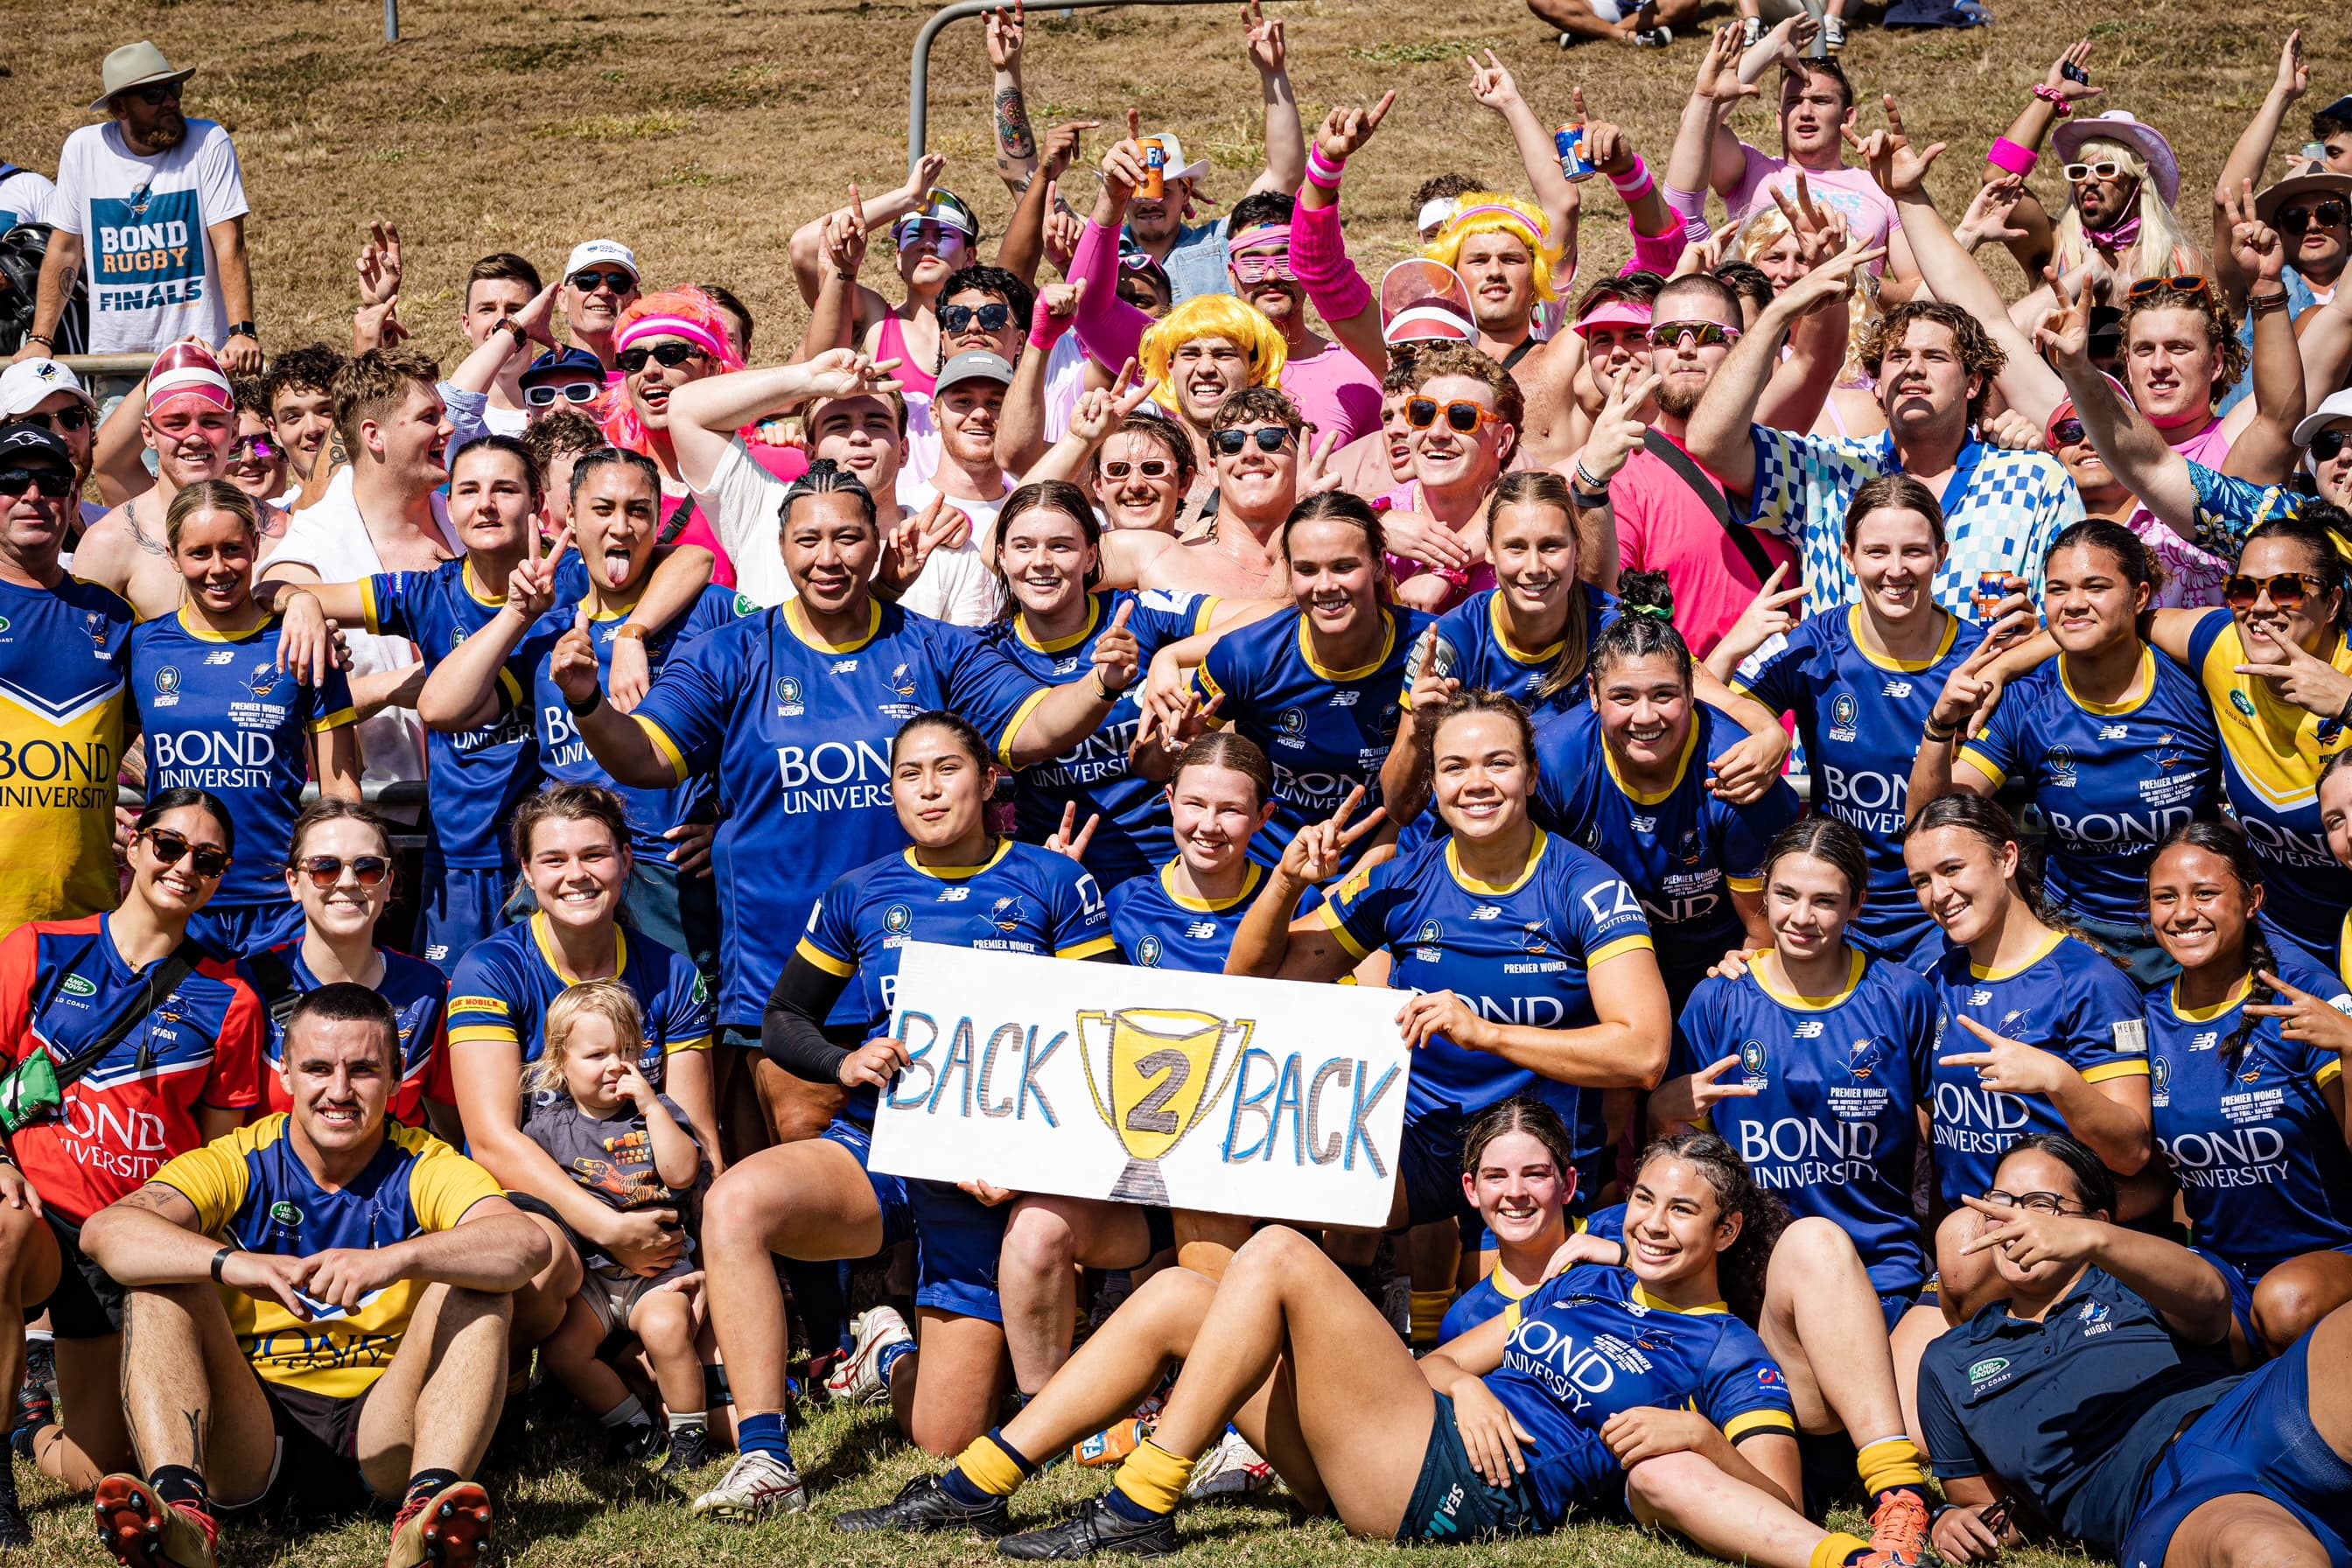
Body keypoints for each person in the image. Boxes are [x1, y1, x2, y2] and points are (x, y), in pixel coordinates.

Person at [841, 1135, 1918, 1568]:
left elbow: (1772, 1494)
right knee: (1178, 1288)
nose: (1654, 1223)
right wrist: (1463, 1380)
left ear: (1728, 1234)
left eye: (1685, 1212)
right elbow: (1462, 1357)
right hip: (1420, 1428)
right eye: (1644, 1198)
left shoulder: (1726, 1351)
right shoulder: (1587, 1274)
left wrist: (1694, 1432)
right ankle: (978, 1484)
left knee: (1273, 1255)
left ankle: (1140, 1504)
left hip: (1453, 1488)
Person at [560, 460, 1138, 1145]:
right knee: (805, 1175)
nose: (827, 558)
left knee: (930, 1190)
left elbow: (1035, 729)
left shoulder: (934, 646)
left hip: (927, 981)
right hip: (787, 985)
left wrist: (1100, 685)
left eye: (847, 538)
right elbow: (644, 757)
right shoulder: (734, 652)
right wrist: (588, 702)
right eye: (808, 541)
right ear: (782, 550)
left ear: (878, 543)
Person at [690, 710, 1116, 1516]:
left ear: (989, 780)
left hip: (993, 1176)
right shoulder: (860, 892)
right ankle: (765, 1458)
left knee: (947, 1437)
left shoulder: (1054, 882)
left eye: (947, 769)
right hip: (884, 1146)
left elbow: (1104, 1031)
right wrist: (843, 1061)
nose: (927, 789)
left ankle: (888, 1354)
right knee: (736, 1201)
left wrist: (1035, 1161)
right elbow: (784, 1018)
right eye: (908, 774)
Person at [79, 984, 550, 1568]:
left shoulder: (424, 1164)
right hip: (255, 1433)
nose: (339, 1091)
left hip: (387, 1430)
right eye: (319, 1068)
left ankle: (425, 1518)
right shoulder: (240, 1158)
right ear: (286, 1074)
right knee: (158, 1281)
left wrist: (396, 1258)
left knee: (481, 1289)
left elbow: (525, 1243)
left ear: (399, 1078)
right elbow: (106, 1232)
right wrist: (234, 1264)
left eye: (364, 1070)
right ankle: (182, 1518)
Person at [1228, 690, 1670, 1292]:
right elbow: (1252, 986)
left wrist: (1487, 1034)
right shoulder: (1403, 881)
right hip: (1425, 1140)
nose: (1477, 783)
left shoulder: (1587, 888)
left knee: (1493, 1323)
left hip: (1534, 1150)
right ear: (1433, 785)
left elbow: (1643, 1053)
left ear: (1532, 776)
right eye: (1455, 768)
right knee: (1222, 1194)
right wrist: (1284, 882)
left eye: (1499, 763)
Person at [0, 789, 264, 1516]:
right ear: (136, 843)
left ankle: (28, 1428)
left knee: (107, 1473)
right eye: (169, 846)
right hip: (40, 1216)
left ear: (221, 877)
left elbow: (221, 1152)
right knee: (2, 1227)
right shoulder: (39, 948)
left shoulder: (231, 997)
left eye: (206, 861)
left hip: (130, 1240)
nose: (184, 867)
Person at [1916, 1134, 2352, 1568]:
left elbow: (2210, 1301)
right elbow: (1989, 1510)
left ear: (2096, 1221)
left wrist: (2099, 1243)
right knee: (2267, 1550)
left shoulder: (2141, 1274)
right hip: (2167, 1493)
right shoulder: (1950, 1360)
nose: (2016, 1220)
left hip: (2252, 1413)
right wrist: (1950, 1521)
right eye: (2002, 1201)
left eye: (2041, 1205)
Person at [420, 446, 740, 961]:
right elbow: (439, 706)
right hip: (565, 872)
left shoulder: (709, 611)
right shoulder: (549, 631)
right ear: (570, 516)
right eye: (603, 508)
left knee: (670, 1032)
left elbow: (782, 704)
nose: (621, 526)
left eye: (638, 510)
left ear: (658, 522)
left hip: (668, 872)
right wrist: (517, 616)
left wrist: (733, 819)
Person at [266, 436, 553, 970]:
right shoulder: (427, 592)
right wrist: (300, 600)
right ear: (451, 503)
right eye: (467, 490)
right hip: (462, 861)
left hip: (558, 855)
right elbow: (269, 593)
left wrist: (631, 636)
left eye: (505, 489)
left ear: (537, 503)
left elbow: (689, 561)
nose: (484, 504)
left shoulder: (580, 581)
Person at [1909, 520, 2223, 983]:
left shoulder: (2193, 688)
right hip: (2074, 939)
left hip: (2188, 933)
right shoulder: (2024, 699)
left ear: (2139, 597)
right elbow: (1931, 820)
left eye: (2096, 586)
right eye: (2058, 589)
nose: (2074, 603)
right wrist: (1939, 727)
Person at [1653, 816, 1937, 1322]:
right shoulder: (1718, 997)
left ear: (1857, 904)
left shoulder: (1902, 996)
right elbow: (1677, 1137)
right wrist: (1664, 1108)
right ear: (1763, 894)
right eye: (1786, 895)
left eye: (1825, 901)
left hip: (1877, 1272)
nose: (1801, 917)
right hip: (1748, 1275)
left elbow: (1938, 1132)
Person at [1719, 475, 1997, 968]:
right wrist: (1748, 686)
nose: (1895, 570)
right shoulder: (1815, 644)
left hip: (1942, 918)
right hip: (1836, 917)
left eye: (1914, 551)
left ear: (1943, 555)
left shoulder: (1979, 659)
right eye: (1876, 552)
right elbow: (1697, 697)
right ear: (1848, 556)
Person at [1902, 794, 2154, 1333]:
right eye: (1921, 880)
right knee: (1897, 1405)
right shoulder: (1933, 980)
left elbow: (2132, 1152)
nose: (1938, 895)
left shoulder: (2088, 982)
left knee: (1963, 1252)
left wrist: (2057, 1080)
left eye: (1952, 869)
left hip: (2055, 1252)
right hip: (1960, 1256)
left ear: (2008, 858)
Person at [1686, 291, 2082, 622]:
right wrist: (1778, 314)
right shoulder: (1826, 471)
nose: (1913, 368)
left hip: (1985, 711)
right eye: (1898, 357)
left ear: (1973, 383)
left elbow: (2076, 613)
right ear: (1877, 386)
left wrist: (2038, 635)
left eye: (1936, 357)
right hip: (1846, 712)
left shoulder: (2034, 480)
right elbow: (1709, 443)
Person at [2139, 820, 2352, 1360]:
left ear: (2253, 899)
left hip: (2329, 1257)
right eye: (2166, 898)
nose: (2184, 913)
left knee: (2286, 1306)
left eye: (2205, 893)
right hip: (2223, 1271)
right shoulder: (2147, 1016)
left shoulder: (2305, 995)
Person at [1534, 574, 1796, 1007]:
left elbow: (1762, 935)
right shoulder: (1557, 762)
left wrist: (1729, 988)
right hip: (1594, 972)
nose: (1644, 716)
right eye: (1623, 697)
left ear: (1693, 692)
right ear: (1594, 697)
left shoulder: (1736, 770)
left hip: (1711, 977)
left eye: (1663, 694)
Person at [128, 481, 360, 957]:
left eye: (233, 549)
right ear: (173, 556)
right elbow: (106, 744)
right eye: (200, 553)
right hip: (176, 902)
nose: (218, 568)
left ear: (256, 546)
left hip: (280, 907)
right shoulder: (143, 647)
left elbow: (342, 788)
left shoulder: (303, 641)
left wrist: (332, 883)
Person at [2132, 516, 2352, 966]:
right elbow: (2116, 619)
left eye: (2286, 588)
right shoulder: (2223, 647)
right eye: (2244, 590)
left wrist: (2346, 702)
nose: (2261, 607)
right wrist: (1999, 670)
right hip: (2283, 939)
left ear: (2332, 604)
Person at [982, 480, 1222, 888]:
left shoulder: (1138, 613)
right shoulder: (986, 651)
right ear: (1001, 557)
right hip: (1049, 871)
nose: (1041, 561)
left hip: (1165, 866)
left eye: (1061, 546)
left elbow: (1269, 618)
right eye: (1024, 547)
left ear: (1091, 554)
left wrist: (1173, 657)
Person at [522, 980, 713, 1471]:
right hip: (593, 1277)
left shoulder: (656, 1113)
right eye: (597, 1054)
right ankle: (632, 1425)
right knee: (564, 1352)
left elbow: (683, 1173)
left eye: (626, 1051)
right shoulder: (546, 1128)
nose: (614, 1066)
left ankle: (689, 1431)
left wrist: (651, 1109)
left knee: (668, 1331)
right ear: (560, 1063)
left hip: (658, 1272)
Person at [1186, 492, 1430, 870]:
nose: (1325, 585)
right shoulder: (1247, 655)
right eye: (1307, 570)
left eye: (1344, 566)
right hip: (1264, 864)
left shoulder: (1430, 646)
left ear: (1380, 564)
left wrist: (1369, 871)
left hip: (1385, 862)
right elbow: (1154, 764)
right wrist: (1172, 744)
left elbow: (1420, 800)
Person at [16, 42, 257, 370]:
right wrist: (41, 340)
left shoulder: (208, 141)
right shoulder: (84, 149)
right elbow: (65, 250)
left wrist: (241, 331)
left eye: (174, 88)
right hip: (116, 361)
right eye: (154, 95)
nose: (171, 101)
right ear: (119, 109)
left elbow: (229, 242)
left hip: (197, 355)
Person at [0, 423, 135, 937]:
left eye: (53, 483)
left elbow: (150, 730)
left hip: (83, 921)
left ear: (75, 497)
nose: (33, 496)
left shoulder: (117, 618)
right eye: (12, 480)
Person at [255, 799, 455, 1141]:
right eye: (324, 867)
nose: (348, 882)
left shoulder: (428, 990)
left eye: (368, 868)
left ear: (388, 883)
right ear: (294, 882)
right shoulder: (250, 984)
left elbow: (454, 1131)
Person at [1703, 44, 1922, 297]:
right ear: (1779, 118)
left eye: (1820, 101)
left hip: (1850, 330)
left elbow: (1917, 290)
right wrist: (1772, 46)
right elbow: (1700, 118)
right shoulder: (1751, 170)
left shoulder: (1882, 187)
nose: (1806, 112)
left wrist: (1854, 281)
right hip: (1765, 327)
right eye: (1794, 102)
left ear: (1847, 117)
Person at [74, 341, 244, 620]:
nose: (194, 437)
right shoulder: (109, 543)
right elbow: (85, 653)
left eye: (211, 421)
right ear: (148, 434)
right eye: (176, 423)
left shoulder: (275, 532)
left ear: (234, 430)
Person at [1107, 732, 1278, 974]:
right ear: (1171, 800)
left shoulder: (1295, 904)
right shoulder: (1124, 903)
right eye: (1195, 804)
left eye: (1230, 810)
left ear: (1262, 816)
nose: (1208, 826)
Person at [453, 252, 544, 437]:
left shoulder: (563, 406)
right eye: (487, 310)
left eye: (515, 310)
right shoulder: (438, 409)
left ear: (538, 320)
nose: (501, 323)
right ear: (467, 324)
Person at [257, 342, 343, 514]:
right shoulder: (271, 518)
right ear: (274, 431)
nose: (312, 429)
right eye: (293, 417)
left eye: (326, 411)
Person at [559, 240, 640, 372]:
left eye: (619, 282)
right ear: (563, 300)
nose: (603, 291)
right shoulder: (533, 380)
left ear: (636, 302)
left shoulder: (651, 380)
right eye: (587, 280)